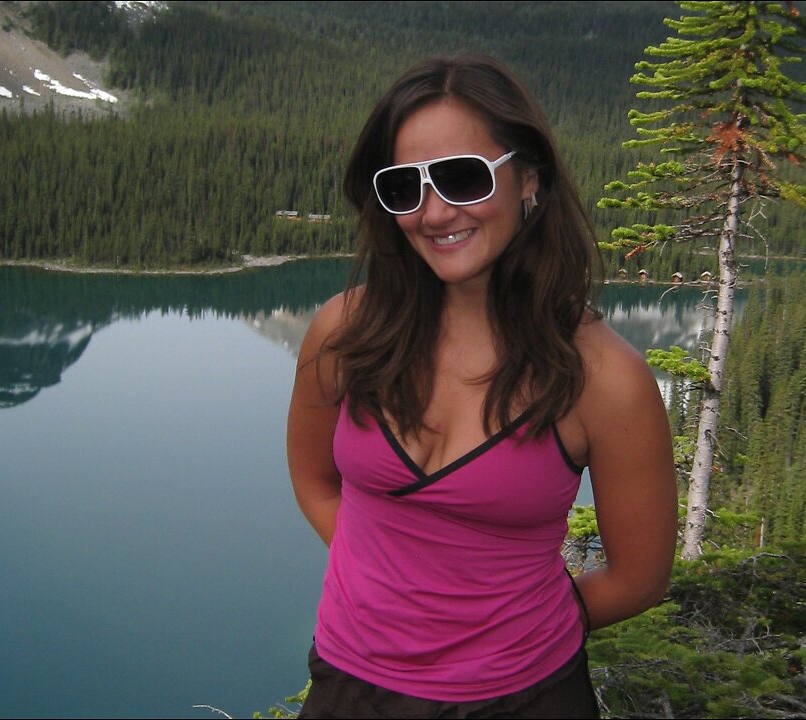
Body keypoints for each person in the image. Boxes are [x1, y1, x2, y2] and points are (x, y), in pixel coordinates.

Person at [286, 52, 678, 719]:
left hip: (525, 697)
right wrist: (385, 588)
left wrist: (505, 631)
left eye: (463, 178)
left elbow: (641, 578)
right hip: (349, 688)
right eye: (405, 187)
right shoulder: (344, 333)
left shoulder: (605, 379)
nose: (435, 213)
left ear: (529, 178)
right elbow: (316, 481)